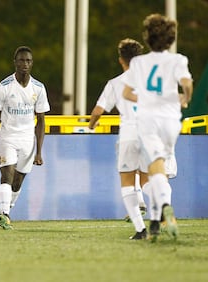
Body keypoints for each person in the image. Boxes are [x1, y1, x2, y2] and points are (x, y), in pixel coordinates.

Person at [122, 14, 193, 241]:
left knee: (154, 170)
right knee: (160, 169)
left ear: (148, 37)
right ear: (171, 40)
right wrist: (184, 99)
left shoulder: (139, 63)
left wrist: (145, 98)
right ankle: (155, 220)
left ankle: (163, 208)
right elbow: (187, 84)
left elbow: (126, 93)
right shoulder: (178, 60)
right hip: (172, 121)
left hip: (149, 121)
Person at [88, 38, 147, 240]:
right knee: (150, 179)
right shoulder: (153, 79)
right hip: (152, 133)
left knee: (127, 181)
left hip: (130, 135)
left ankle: (141, 229)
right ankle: (163, 211)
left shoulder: (116, 83)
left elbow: (98, 111)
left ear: (121, 59)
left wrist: (91, 124)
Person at [0, 46, 50, 230]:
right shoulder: (4, 87)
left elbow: (41, 121)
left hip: (28, 141)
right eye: (22, 60)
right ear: (15, 62)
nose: (25, 64)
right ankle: (4, 215)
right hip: (8, 138)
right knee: (7, 175)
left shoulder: (38, 88)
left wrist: (39, 151)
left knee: (17, 182)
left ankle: (2, 213)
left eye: (28, 61)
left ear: (32, 64)